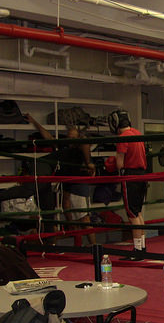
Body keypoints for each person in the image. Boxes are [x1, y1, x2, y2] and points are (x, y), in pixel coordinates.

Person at [25, 114, 97, 246]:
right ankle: (78, 246)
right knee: (70, 216)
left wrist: (88, 163)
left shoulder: (81, 147)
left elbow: (86, 144)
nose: (70, 137)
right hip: (67, 183)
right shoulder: (64, 146)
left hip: (78, 183)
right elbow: (48, 137)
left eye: (73, 136)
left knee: (84, 218)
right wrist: (35, 122)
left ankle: (94, 246)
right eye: (69, 135)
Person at [109, 110, 148, 261]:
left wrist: (111, 164)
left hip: (130, 176)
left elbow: (119, 164)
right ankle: (142, 247)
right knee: (137, 212)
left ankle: (137, 250)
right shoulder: (136, 133)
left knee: (132, 214)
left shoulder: (122, 137)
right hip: (142, 175)